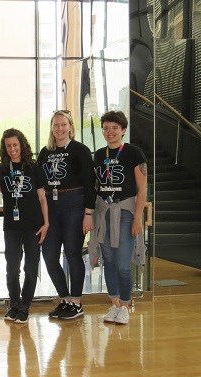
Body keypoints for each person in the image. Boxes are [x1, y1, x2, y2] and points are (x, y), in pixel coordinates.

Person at [37, 110, 96, 320]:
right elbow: (38, 183)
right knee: (50, 256)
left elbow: (90, 183)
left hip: (74, 203)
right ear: (51, 128)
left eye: (63, 125)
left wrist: (88, 213)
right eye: (56, 125)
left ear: (70, 127)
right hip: (51, 207)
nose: (59, 129)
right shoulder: (45, 152)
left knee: (72, 253)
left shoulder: (80, 150)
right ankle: (65, 299)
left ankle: (76, 302)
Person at [90, 111, 147, 325]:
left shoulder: (134, 153)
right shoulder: (98, 155)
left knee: (123, 264)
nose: (110, 132)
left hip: (124, 212)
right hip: (103, 213)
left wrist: (137, 218)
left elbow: (142, 189)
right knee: (110, 262)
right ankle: (114, 305)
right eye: (106, 128)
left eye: (114, 128)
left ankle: (125, 304)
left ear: (123, 130)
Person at [0, 128, 49, 324]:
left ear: (22, 145)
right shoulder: (1, 169)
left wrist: (46, 223)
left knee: (31, 268)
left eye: (15, 145)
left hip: (33, 225)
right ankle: (14, 304)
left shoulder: (33, 167)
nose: (12, 149)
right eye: (8, 146)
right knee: (12, 268)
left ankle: (25, 306)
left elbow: (42, 198)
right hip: (11, 226)